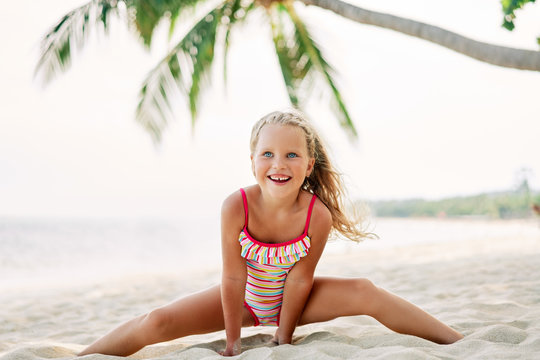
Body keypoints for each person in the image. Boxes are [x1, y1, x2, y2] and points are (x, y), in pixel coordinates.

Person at [79, 110, 463, 357]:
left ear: (309, 164)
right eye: (268, 154)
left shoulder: (317, 216)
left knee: (365, 290)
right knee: (157, 321)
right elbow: (232, 276)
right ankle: (84, 356)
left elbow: (300, 278)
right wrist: (233, 342)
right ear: (252, 161)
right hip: (243, 301)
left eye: (292, 155)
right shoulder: (236, 206)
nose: (279, 164)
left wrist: (284, 337)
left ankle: (456, 341)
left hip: (297, 301)